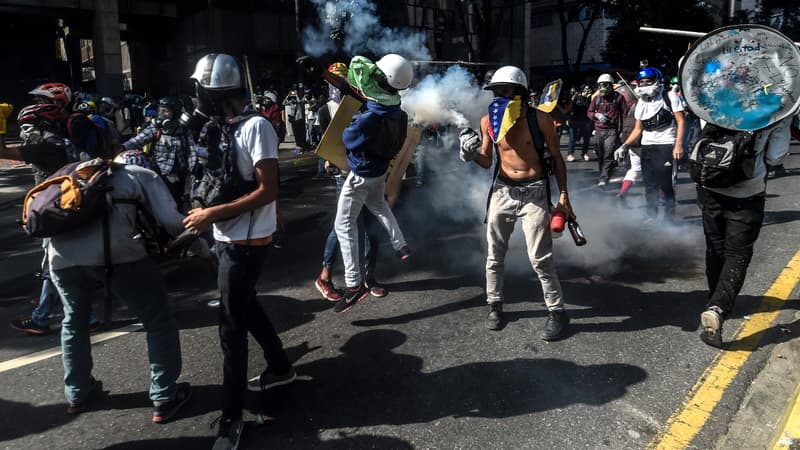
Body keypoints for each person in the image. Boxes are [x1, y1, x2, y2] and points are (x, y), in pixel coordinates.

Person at [182, 53, 296, 449]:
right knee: (246, 305)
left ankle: (231, 418)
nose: (195, 97)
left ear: (216, 93)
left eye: (200, 90)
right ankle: (281, 367)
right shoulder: (220, 125)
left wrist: (210, 214)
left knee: (231, 328)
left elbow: (267, 189)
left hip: (246, 244)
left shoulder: (258, 126)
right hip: (228, 237)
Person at [46, 157, 191, 421]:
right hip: (118, 255)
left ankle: (77, 393)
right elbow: (172, 222)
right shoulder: (140, 174)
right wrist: (204, 245)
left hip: (60, 257)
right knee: (157, 320)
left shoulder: (66, 172)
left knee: (74, 322)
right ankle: (164, 396)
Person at [458, 65, 574, 340]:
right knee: (494, 255)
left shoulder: (540, 119)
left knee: (540, 258)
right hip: (502, 192)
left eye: (505, 91)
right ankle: (494, 305)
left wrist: (564, 196)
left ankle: (557, 312)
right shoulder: (489, 121)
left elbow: (557, 158)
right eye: (495, 91)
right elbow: (487, 161)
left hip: (534, 192)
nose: (499, 96)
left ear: (520, 92)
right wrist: (470, 152)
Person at [1, 103, 103, 335]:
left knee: (53, 266)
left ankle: (46, 318)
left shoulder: (45, 147)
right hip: (68, 205)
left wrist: (1, 125)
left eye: (28, 127)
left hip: (55, 209)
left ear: (41, 126)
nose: (25, 133)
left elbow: (2, 151)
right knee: (63, 264)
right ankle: (78, 316)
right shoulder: (60, 141)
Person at [697, 117, 791, 347]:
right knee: (738, 254)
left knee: (715, 247)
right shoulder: (777, 110)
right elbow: (775, 156)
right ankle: (718, 307)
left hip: (710, 184)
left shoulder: (714, 99)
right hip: (747, 193)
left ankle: (715, 298)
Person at [331, 53, 414, 314]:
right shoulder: (398, 113)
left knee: (343, 225)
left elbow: (348, 139)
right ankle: (400, 243)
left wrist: (351, 120)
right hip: (379, 173)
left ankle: (354, 284)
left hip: (360, 175)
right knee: (379, 206)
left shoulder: (369, 117)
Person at [615, 66, 685, 224]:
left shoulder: (669, 96)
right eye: (642, 82)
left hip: (666, 144)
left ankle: (668, 218)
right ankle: (651, 215)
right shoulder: (641, 103)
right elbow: (638, 129)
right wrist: (624, 146)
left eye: (649, 81)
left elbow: (681, 121)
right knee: (649, 184)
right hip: (647, 146)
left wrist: (678, 145)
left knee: (666, 184)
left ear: (657, 82)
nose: (645, 84)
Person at [122, 97, 196, 208]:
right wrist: (121, 148)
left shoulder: (183, 130)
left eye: (166, 111)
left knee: (178, 202)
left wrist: (192, 170)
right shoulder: (156, 128)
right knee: (162, 203)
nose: (162, 114)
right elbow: (138, 140)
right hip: (160, 173)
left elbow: (191, 150)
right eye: (160, 111)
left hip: (180, 174)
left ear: (175, 113)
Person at [587, 73, 628, 187]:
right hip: (599, 130)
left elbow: (624, 115)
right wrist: (597, 115)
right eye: (600, 85)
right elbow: (589, 112)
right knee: (600, 155)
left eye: (605, 85)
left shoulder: (619, 97)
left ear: (611, 85)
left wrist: (623, 131)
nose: (602, 88)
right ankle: (604, 175)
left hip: (612, 131)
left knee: (608, 155)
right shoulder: (596, 98)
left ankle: (603, 178)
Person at [568, 85, 593, 161]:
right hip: (574, 120)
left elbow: (592, 108)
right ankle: (570, 154)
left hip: (585, 120)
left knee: (586, 138)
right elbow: (570, 109)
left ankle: (585, 153)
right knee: (572, 138)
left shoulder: (590, 98)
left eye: (588, 90)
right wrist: (573, 99)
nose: (587, 91)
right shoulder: (576, 97)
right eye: (585, 90)